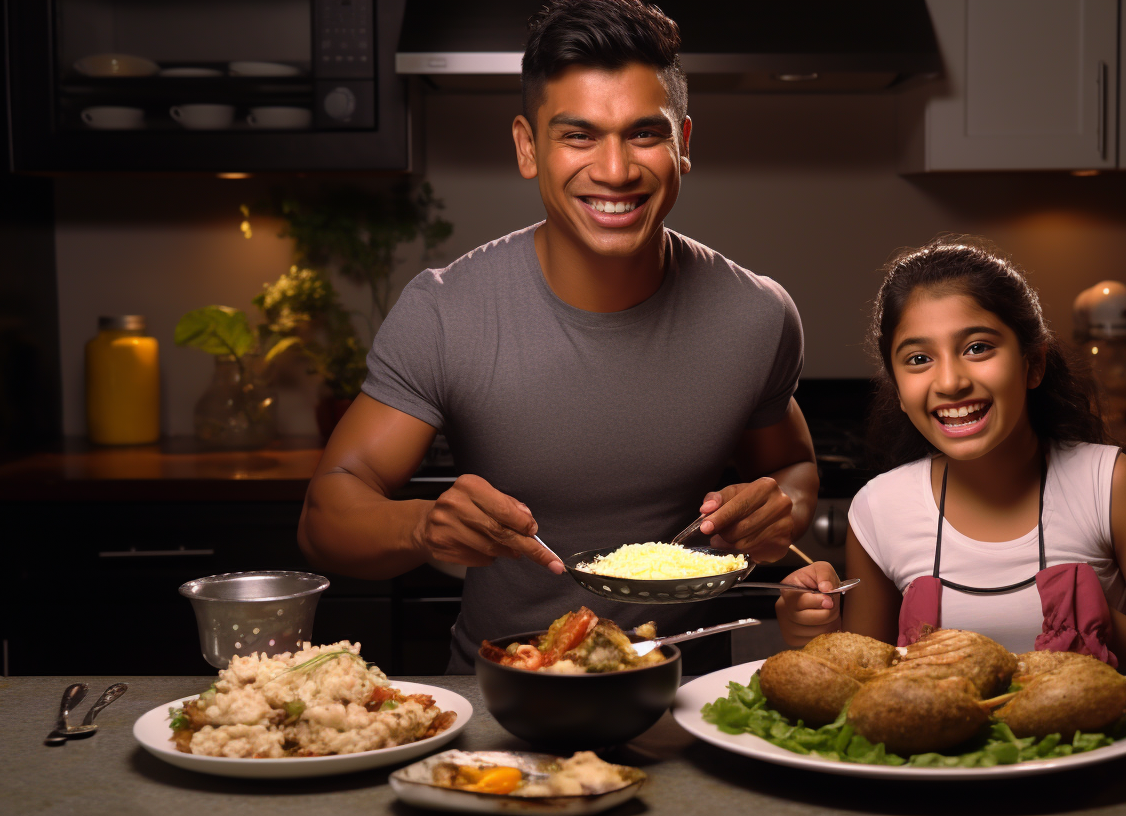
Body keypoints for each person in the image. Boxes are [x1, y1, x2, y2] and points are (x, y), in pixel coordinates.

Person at [297, 0, 818, 674]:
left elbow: (794, 471)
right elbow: (325, 517)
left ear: (683, 143)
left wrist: (782, 512)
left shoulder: (757, 313)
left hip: (690, 697)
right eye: (578, 136)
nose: (614, 170)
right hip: (504, 698)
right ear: (526, 145)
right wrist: (421, 526)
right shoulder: (447, 310)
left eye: (643, 135)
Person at [776, 238, 1126, 672]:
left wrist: (1107, 627)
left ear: (1033, 364)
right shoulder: (878, 510)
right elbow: (862, 682)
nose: (950, 381)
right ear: (897, 389)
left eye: (978, 348)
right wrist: (817, 630)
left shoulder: (1110, 485)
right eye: (918, 359)